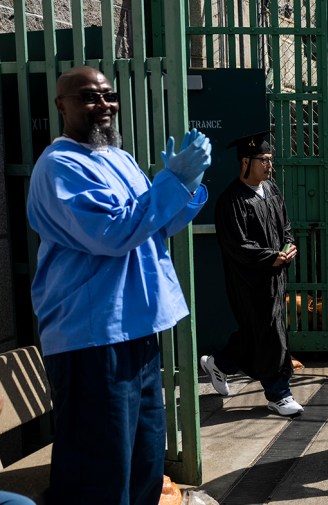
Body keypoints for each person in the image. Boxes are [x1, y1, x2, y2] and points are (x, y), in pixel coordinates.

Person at [26, 66, 211, 504]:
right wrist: (170, 183)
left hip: (138, 329)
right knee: (100, 470)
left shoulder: (119, 158)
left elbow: (155, 226)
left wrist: (187, 186)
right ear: (61, 106)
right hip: (93, 337)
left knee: (144, 460)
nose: (103, 106)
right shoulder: (59, 166)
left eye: (108, 96)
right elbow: (112, 234)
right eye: (89, 97)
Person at [199, 131, 303, 417]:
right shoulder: (231, 200)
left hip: (274, 276)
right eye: (263, 160)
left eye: (270, 160)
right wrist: (270, 257)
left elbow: (286, 226)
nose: (269, 166)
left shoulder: (271, 191)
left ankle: (220, 363)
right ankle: (278, 394)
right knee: (270, 334)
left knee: (257, 332)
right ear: (246, 161)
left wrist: (290, 246)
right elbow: (238, 245)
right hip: (249, 280)